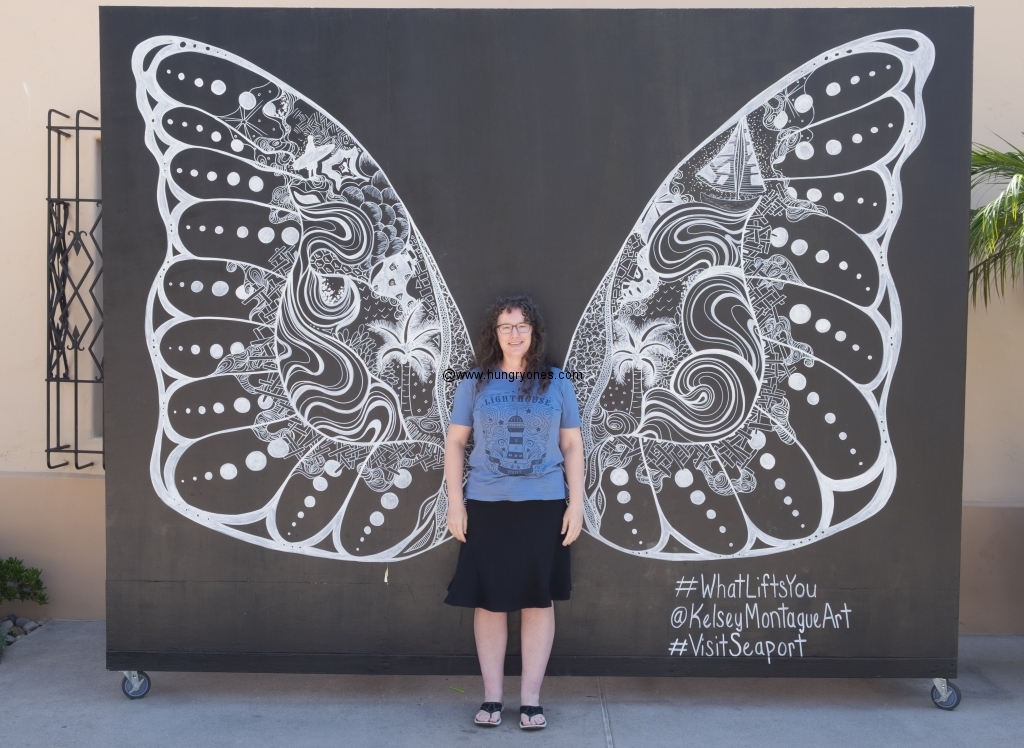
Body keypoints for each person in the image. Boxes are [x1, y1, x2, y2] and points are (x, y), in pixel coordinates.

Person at [444, 294, 585, 730]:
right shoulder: (475, 381)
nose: (515, 334)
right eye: (507, 327)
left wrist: (576, 504)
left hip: (543, 504)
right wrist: (455, 503)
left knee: (537, 601)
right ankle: (491, 698)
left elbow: (573, 445)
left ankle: (530, 700)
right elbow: (454, 443)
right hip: (487, 503)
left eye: (522, 325)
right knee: (489, 601)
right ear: (495, 333)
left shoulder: (557, 381)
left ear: (534, 332)